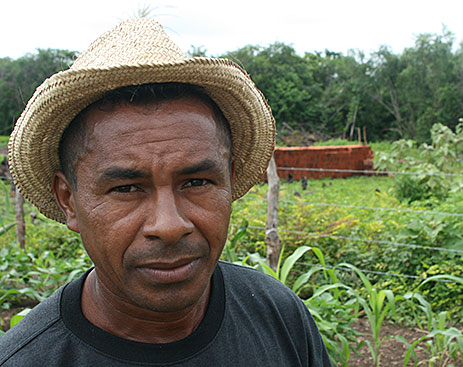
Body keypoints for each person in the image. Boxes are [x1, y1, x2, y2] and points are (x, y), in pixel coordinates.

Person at [0, 18, 331, 366]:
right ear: (68, 200)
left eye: (196, 182)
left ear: (229, 181)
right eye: (126, 188)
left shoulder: (279, 316)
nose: (169, 226)